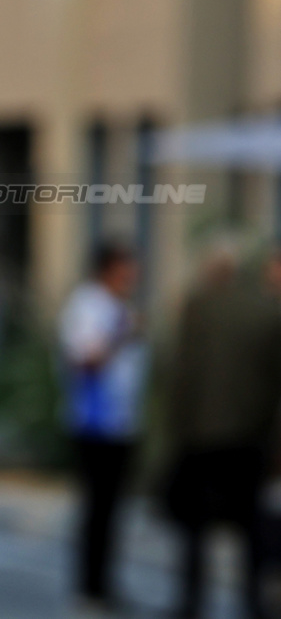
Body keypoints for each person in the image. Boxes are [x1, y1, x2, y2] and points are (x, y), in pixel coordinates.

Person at [163, 241, 281, 619]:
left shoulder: (197, 307)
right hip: (250, 437)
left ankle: (191, 603)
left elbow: (183, 374)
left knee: (196, 529)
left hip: (201, 436)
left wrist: (176, 429)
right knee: (251, 526)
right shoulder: (266, 312)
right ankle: (254, 602)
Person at [58, 241, 148, 613]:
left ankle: (104, 583)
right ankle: (89, 586)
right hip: (93, 421)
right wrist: (123, 335)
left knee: (113, 509)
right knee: (96, 507)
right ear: (109, 269)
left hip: (122, 421)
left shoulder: (117, 306)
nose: (133, 275)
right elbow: (86, 359)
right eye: (127, 267)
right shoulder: (86, 305)